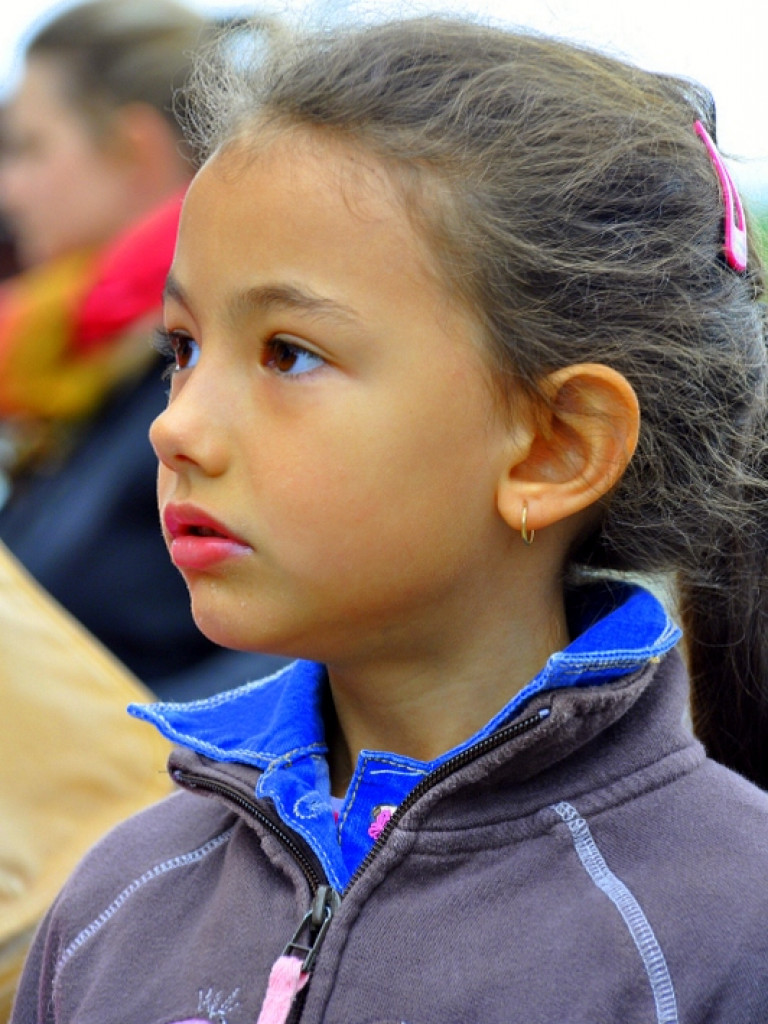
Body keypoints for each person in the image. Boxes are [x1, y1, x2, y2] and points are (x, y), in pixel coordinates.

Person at [11, 15, 768, 1023]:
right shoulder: (118, 897)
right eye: (182, 347)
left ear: (556, 446)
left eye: (290, 353)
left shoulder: (724, 933)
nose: (177, 427)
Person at [0, 0, 286, 698]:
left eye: (28, 147)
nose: (8, 187)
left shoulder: (200, 367)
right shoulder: (82, 354)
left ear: (137, 149)